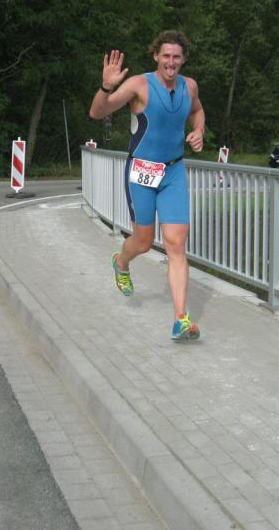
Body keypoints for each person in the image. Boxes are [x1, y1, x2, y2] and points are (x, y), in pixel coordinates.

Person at [88, 30, 205, 341]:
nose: (171, 62)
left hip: (174, 172)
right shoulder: (139, 85)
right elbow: (97, 112)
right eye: (165, 56)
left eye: (176, 57)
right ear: (156, 56)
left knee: (176, 244)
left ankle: (180, 319)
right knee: (143, 241)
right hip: (142, 171)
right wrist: (106, 87)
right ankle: (121, 261)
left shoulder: (189, 86)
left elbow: (197, 111)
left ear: (183, 59)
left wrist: (199, 131)